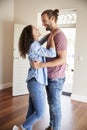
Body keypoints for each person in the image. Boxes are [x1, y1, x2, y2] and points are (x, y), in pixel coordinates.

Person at [12, 25, 56, 130]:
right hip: (36, 83)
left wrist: (49, 34)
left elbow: (40, 42)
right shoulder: (34, 46)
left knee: (31, 112)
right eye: (35, 29)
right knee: (40, 113)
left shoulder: (34, 45)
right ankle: (20, 128)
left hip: (33, 82)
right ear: (32, 34)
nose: (37, 28)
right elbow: (52, 53)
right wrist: (53, 38)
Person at [31, 9, 67, 130]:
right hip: (50, 76)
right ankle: (52, 125)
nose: (43, 24)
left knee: (54, 106)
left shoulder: (60, 36)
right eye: (42, 21)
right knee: (51, 104)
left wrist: (41, 65)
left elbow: (62, 60)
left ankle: (56, 128)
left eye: (45, 21)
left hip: (56, 78)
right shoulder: (52, 34)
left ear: (52, 19)